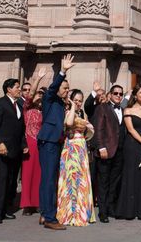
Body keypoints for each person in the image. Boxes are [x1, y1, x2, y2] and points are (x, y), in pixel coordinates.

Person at [37, 54, 74, 230]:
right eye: (64, 88)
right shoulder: (50, 98)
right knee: (49, 180)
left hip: (54, 142)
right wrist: (63, 71)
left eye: (68, 88)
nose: (67, 91)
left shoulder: (60, 103)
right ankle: (50, 218)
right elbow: (51, 89)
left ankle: (45, 214)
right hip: (48, 142)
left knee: (48, 180)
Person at [0, 78, 27, 224]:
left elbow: (20, 127)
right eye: (17, 87)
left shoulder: (18, 105)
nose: (19, 89)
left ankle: (5, 210)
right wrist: (0, 142)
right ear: (8, 89)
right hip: (3, 148)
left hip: (16, 149)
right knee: (1, 180)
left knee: (11, 181)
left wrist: (23, 144)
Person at [116, 84, 141, 220]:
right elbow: (131, 130)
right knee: (131, 176)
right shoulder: (128, 110)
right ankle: (128, 211)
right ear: (135, 95)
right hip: (132, 146)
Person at [57, 88, 96, 226]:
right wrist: (72, 106)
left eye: (80, 101)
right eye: (76, 100)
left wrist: (88, 131)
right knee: (70, 177)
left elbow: (90, 130)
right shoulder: (68, 111)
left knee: (81, 178)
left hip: (81, 146)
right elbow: (68, 123)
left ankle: (81, 211)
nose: (79, 103)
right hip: (71, 147)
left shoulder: (81, 113)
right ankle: (70, 212)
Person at [92, 84, 126, 223]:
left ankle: (111, 207)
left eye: (120, 94)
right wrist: (101, 147)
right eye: (116, 93)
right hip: (106, 150)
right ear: (110, 95)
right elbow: (98, 128)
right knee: (103, 181)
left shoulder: (123, 109)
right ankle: (103, 212)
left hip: (119, 151)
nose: (118, 96)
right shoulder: (102, 108)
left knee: (114, 181)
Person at [20, 69, 47, 216]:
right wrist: (37, 79)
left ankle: (37, 203)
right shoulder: (27, 107)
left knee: (39, 174)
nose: (38, 97)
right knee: (27, 174)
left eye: (41, 96)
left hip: (40, 143)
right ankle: (26, 204)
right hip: (29, 142)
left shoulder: (44, 111)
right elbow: (30, 95)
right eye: (37, 95)